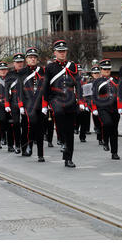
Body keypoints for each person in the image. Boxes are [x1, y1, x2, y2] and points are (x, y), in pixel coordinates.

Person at [43, 40, 82, 168]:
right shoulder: (49, 68)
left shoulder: (73, 67)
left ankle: (68, 158)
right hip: (56, 98)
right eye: (59, 51)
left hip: (70, 99)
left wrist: (81, 101)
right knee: (58, 113)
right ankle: (61, 138)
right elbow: (45, 86)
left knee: (70, 130)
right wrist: (45, 104)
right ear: (55, 53)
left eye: (64, 51)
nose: (62, 53)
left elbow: (78, 85)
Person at [18, 47, 46, 161]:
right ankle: (29, 146)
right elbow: (19, 90)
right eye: (30, 57)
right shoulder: (22, 72)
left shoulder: (42, 71)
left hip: (40, 103)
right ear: (26, 59)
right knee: (32, 124)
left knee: (40, 128)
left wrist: (45, 105)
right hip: (28, 103)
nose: (33, 59)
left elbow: (45, 89)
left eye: (34, 57)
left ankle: (40, 154)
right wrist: (20, 105)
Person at [91, 59, 121, 160]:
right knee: (107, 123)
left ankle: (114, 152)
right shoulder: (97, 82)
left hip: (114, 108)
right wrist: (94, 108)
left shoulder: (115, 80)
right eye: (104, 69)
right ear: (101, 69)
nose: (107, 71)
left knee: (114, 130)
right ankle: (105, 139)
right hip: (102, 108)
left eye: (108, 69)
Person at [5, 53, 26, 154]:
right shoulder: (10, 74)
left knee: (26, 124)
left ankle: (25, 146)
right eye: (17, 62)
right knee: (16, 123)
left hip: (26, 101)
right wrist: (7, 104)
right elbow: (6, 90)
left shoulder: (27, 72)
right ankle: (17, 145)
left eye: (21, 62)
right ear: (14, 63)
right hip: (14, 101)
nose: (20, 64)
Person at [0, 61, 14, 152]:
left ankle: (10, 145)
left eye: (4, 69)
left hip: (10, 104)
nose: (3, 71)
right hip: (0, 105)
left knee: (10, 125)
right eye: (1, 70)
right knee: (1, 121)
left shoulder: (12, 80)